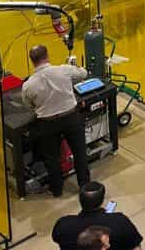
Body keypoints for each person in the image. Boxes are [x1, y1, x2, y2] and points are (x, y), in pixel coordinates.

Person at [21, 44, 90, 197]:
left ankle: (57, 189)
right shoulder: (63, 70)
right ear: (47, 56)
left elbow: (27, 103)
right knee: (79, 152)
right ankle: (84, 184)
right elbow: (83, 73)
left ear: (32, 61)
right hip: (71, 117)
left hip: (47, 123)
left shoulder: (28, 85)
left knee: (52, 158)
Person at [52, 182, 143, 250]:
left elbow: (56, 239)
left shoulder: (62, 225)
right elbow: (135, 246)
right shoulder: (119, 221)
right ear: (101, 201)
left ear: (80, 201)